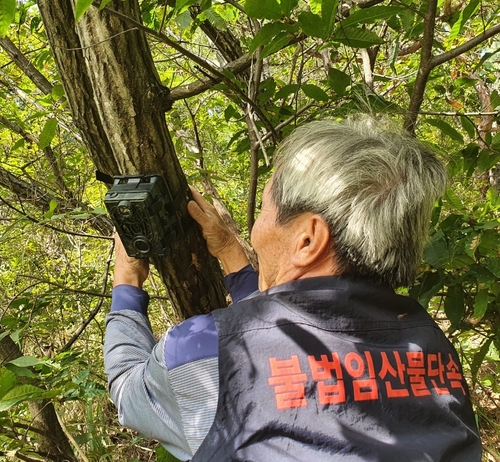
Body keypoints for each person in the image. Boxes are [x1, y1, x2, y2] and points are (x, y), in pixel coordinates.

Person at [104, 116, 482, 461]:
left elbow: (128, 392)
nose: (258, 225)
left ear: (308, 239)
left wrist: (127, 280)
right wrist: (230, 253)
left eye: (266, 209)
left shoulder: (206, 350)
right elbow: (294, 339)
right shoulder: (430, 343)